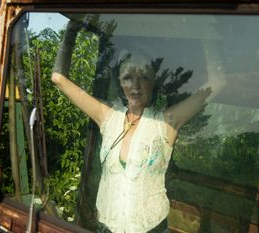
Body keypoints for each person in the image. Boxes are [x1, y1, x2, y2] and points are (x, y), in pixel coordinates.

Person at [52, 20, 221, 233]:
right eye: (128, 78)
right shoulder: (107, 117)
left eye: (144, 77)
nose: (136, 86)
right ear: (120, 83)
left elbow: (217, 84)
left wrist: (205, 32)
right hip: (105, 228)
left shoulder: (166, 122)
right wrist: (71, 29)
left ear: (154, 83)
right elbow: (58, 78)